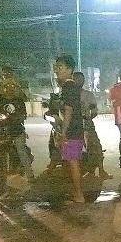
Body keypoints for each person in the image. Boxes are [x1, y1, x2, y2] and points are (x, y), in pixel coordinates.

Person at [53, 54, 86, 204]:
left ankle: (79, 195)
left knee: (73, 162)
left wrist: (63, 133)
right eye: (56, 67)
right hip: (76, 128)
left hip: (72, 131)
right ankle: (77, 193)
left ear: (69, 69)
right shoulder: (71, 86)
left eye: (60, 67)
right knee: (72, 161)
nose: (57, 70)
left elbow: (68, 111)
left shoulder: (68, 86)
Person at [0, 78, 34, 180]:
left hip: (17, 129)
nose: (10, 89)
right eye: (7, 86)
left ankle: (30, 175)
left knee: (21, 150)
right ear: (3, 88)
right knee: (0, 154)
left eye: (13, 86)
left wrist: (16, 118)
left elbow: (23, 115)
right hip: (1, 130)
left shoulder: (18, 100)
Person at [73, 71, 111, 179]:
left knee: (96, 147)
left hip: (87, 125)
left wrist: (89, 117)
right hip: (73, 127)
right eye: (77, 79)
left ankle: (101, 170)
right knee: (73, 153)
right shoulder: (68, 95)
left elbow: (94, 110)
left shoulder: (88, 95)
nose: (79, 81)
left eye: (81, 79)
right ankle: (75, 175)